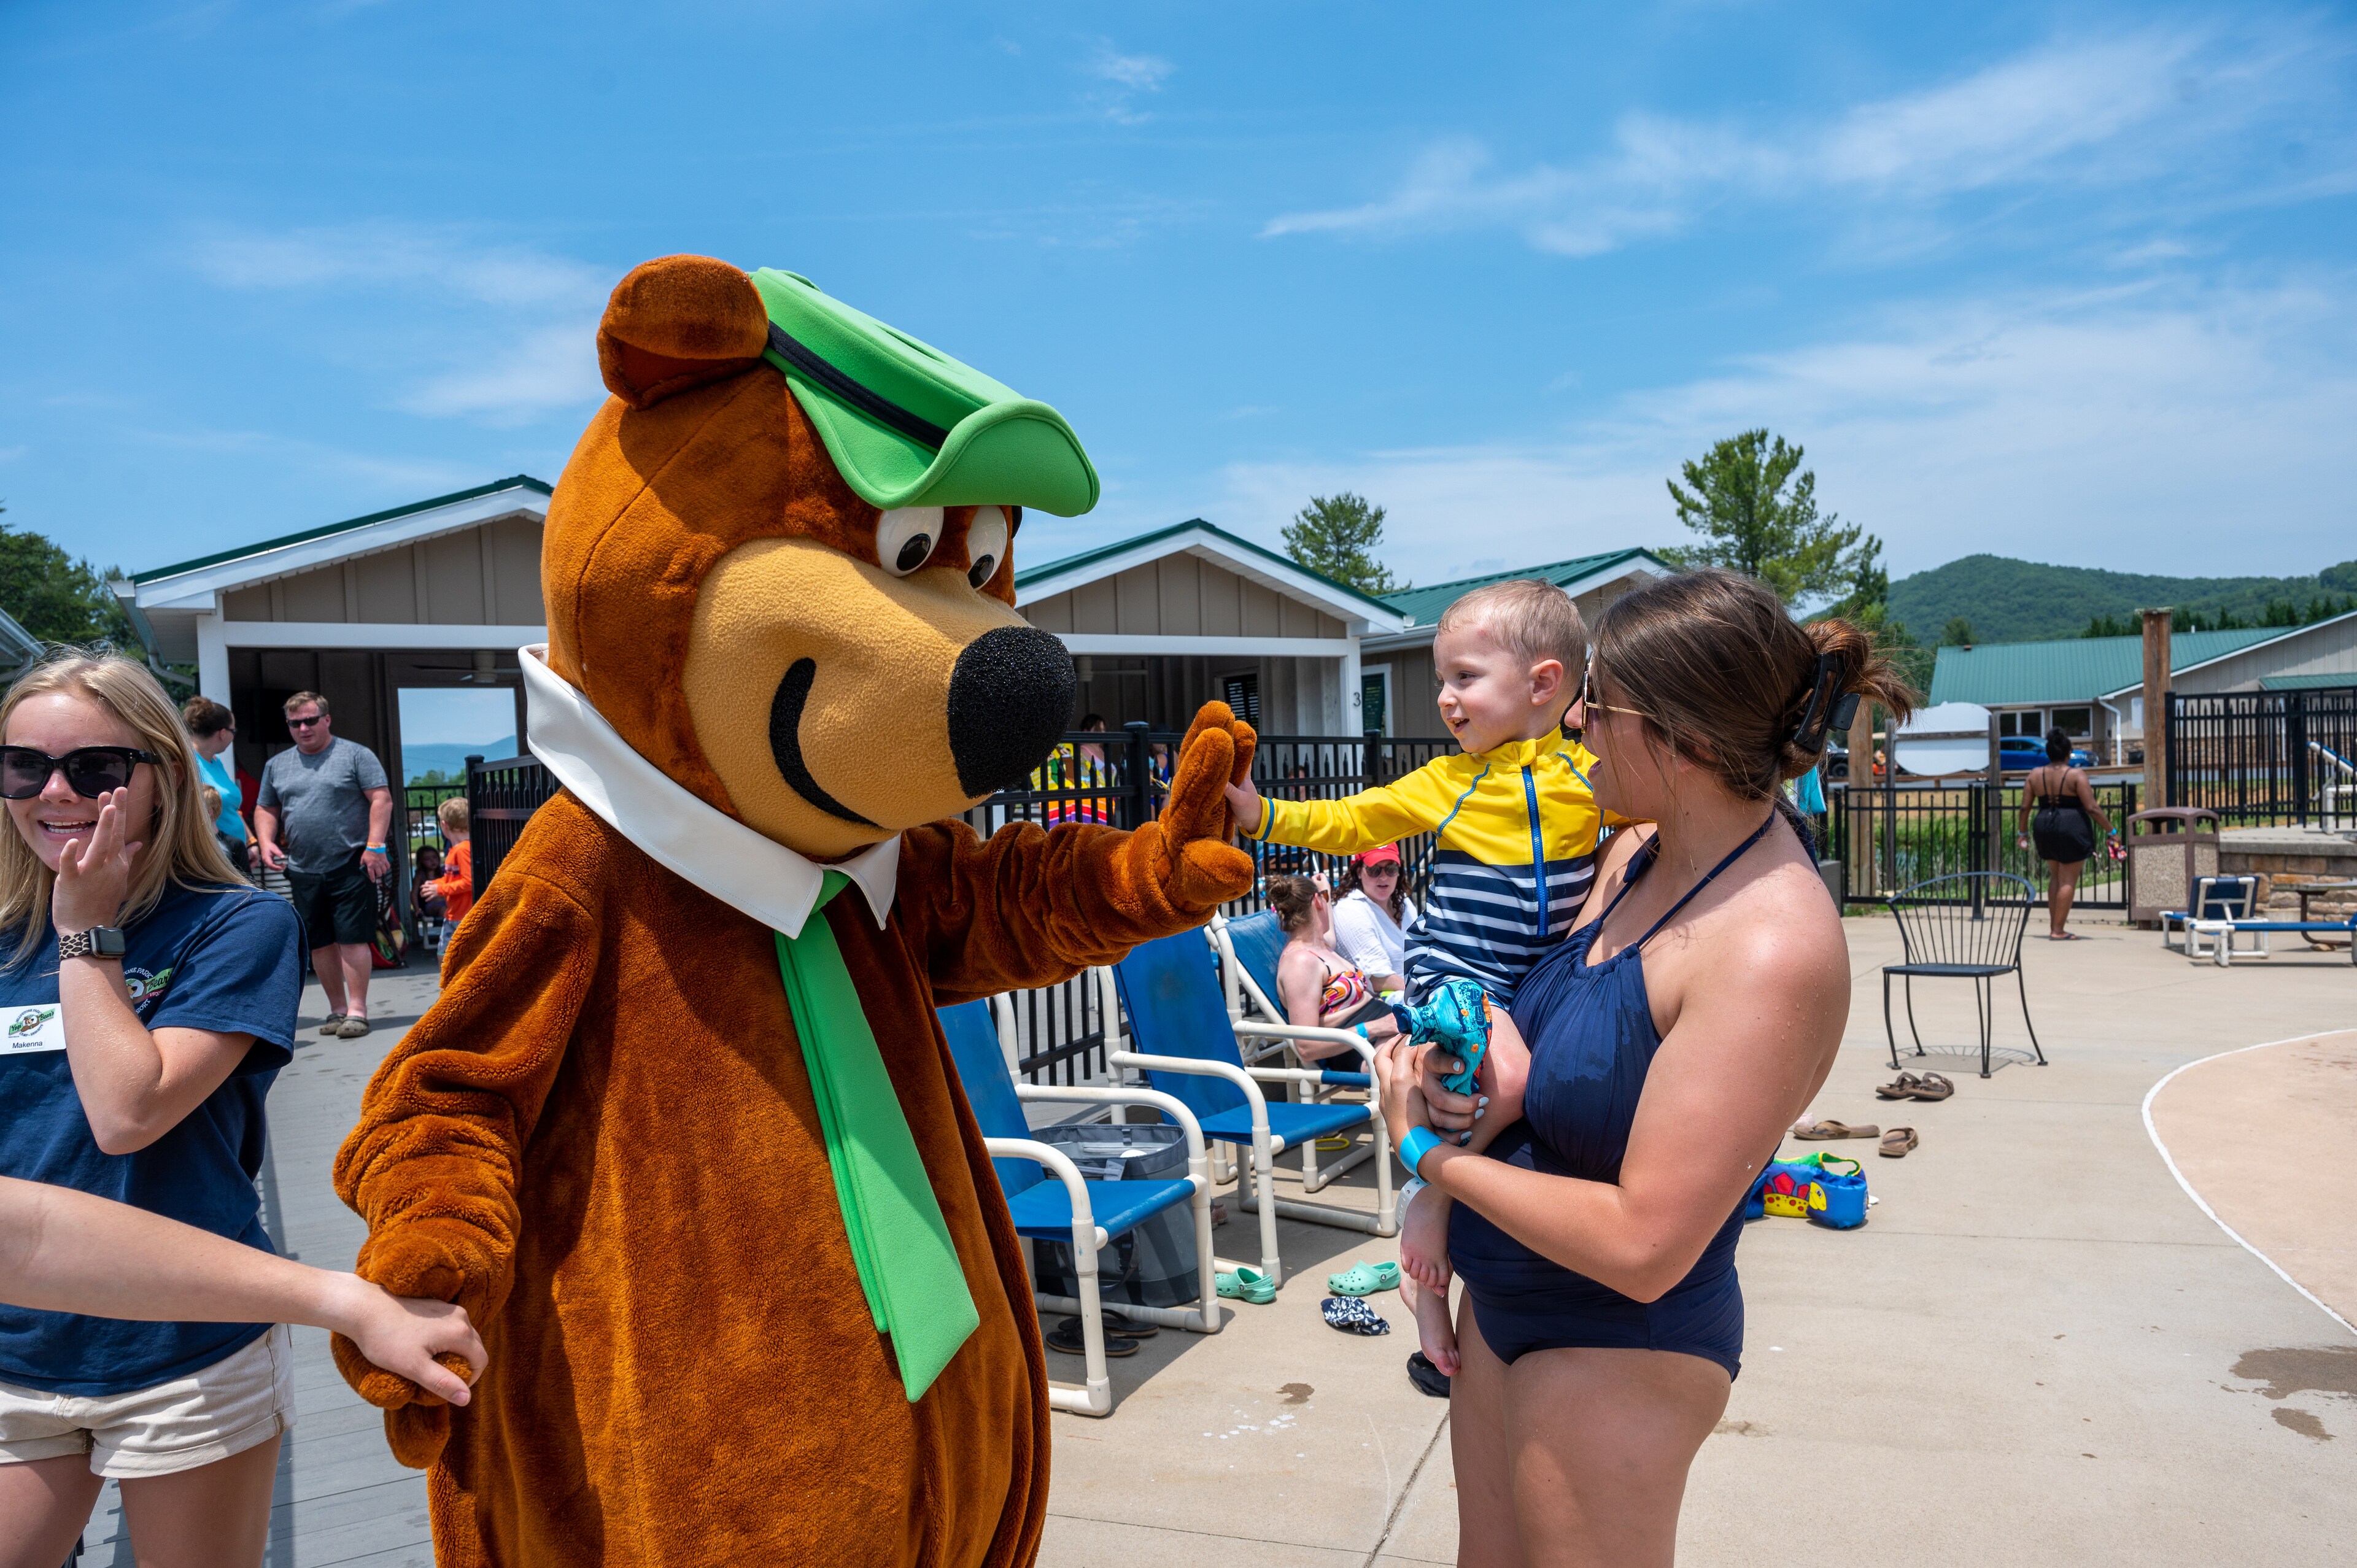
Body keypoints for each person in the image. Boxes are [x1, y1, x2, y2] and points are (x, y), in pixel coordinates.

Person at [1372, 569, 1911, 1566]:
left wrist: (1425, 1157)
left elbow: (1644, 1244)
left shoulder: (1768, 948)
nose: (1571, 721)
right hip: (1506, 1307)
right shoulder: (1633, 859)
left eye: (1597, 704)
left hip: (1616, 1346)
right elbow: (1541, 1032)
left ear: (1687, 740)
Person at [1226, 578, 1619, 1393]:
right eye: (1444, 679)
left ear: (1544, 684)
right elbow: (1351, 818)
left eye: (1464, 677)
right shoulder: (1447, 781)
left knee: (1521, 1101)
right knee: (1504, 1083)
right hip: (1463, 966)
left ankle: (1430, 1277)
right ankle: (1430, 1203)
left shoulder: (1593, 778)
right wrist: (1262, 814)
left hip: (1541, 972)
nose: (1445, 697)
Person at [0, 649, 309, 1566]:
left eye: (92, 768)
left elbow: (127, 1111)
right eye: (24, 765)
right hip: (20, 1340)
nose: (54, 791)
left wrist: (85, 934)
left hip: (186, 1348)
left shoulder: (238, 924)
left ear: (163, 777)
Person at [254, 690, 393, 1040]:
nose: (304, 728)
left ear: (327, 720)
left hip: (351, 861)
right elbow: (266, 808)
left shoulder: (356, 755)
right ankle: (337, 1009)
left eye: (311, 720)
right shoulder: (277, 765)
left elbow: (381, 799)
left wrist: (376, 846)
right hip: (301, 866)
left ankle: (358, 1010)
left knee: (352, 938)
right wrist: (266, 840)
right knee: (319, 943)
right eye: (295, 723)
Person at [1265, 872, 1398, 1055]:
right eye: (1324, 900)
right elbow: (1306, 1047)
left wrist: (1324, 891)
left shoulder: (1322, 945)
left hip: (1382, 1034)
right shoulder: (1300, 962)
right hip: (1363, 1050)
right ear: (1317, 902)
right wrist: (1375, 1027)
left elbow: (1328, 931)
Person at [2018, 728, 2113, 941]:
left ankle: (2055, 926)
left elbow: (2025, 808)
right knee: (2068, 880)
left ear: (2048, 753)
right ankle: (2058, 930)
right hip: (2071, 826)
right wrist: (2112, 831)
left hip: (2044, 826)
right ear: (2068, 753)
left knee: (2056, 877)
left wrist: (2022, 833)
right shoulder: (2076, 775)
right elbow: (2092, 808)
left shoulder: (2035, 775)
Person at [1330, 844, 1418, 1001]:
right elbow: (1379, 980)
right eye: (1374, 870)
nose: (1383, 877)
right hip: (1386, 1000)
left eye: (1391, 869)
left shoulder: (1403, 901)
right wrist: (1424, 991)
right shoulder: (1349, 908)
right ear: (1359, 872)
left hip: (1413, 990)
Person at [181, 696, 250, 878]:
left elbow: (230, 807)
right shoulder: (188, 764)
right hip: (214, 857)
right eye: (234, 731)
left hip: (234, 852)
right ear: (223, 733)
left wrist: (250, 841)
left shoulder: (215, 761)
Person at [425, 795, 474, 929]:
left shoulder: (462, 850)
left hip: (461, 918)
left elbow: (469, 882)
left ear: (444, 824)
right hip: (455, 915)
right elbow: (456, 879)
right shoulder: (460, 849)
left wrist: (440, 889)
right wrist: (437, 884)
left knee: (446, 951)